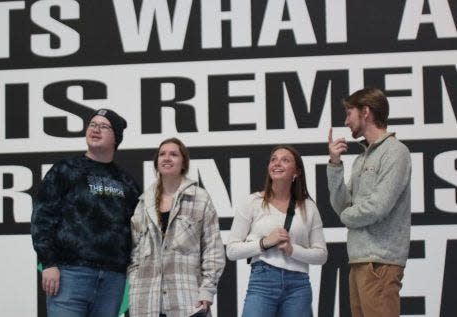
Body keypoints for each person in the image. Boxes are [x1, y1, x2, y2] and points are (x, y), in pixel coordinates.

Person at [31, 108, 140, 317]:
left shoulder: (128, 183)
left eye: (104, 126)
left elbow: (137, 231)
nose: (96, 129)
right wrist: (49, 263)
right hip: (70, 274)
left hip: (113, 279)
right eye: (92, 124)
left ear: (116, 137)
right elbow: (42, 218)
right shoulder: (65, 170)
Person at [327, 87, 412, 317]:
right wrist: (335, 164)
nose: (346, 121)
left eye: (349, 113)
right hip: (359, 260)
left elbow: (378, 206)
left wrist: (347, 217)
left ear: (366, 112)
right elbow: (342, 205)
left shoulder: (396, 152)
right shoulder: (359, 159)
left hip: (381, 262)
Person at [128, 137, 225, 317]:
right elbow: (134, 252)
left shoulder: (200, 198)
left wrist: (207, 289)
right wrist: (134, 284)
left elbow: (213, 249)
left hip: (187, 301)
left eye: (173, 154)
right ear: (156, 163)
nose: (167, 158)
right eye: (162, 154)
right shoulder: (143, 203)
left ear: (183, 163)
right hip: (146, 302)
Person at [227, 145, 327, 317]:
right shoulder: (252, 202)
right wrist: (264, 243)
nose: (277, 163)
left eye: (285, 160)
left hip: (298, 286)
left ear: (297, 172)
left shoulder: (309, 207)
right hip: (262, 282)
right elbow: (231, 250)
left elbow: (322, 255)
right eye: (273, 159)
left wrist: (292, 250)